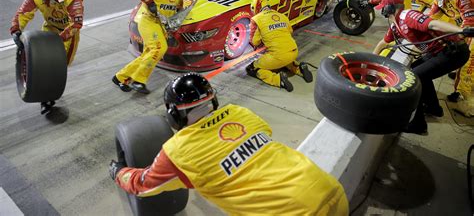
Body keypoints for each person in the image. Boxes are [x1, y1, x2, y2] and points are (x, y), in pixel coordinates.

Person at [109, 73, 348, 215]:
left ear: (173, 114)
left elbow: (144, 185)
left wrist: (119, 172)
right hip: (330, 191)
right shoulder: (240, 113)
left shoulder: (178, 152)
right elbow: (263, 135)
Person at [373, 0, 473, 134]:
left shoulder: (407, 16)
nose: (385, 16)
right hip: (438, 52)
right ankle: (434, 108)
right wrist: (372, 62)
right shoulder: (396, 26)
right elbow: (383, 43)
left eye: (384, 12)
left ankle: (418, 124)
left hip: (453, 51)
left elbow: (433, 24)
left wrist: (462, 30)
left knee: (414, 77)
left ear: (390, 10)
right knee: (416, 67)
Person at [10, 0, 84, 114]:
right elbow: (23, 13)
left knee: (61, 65)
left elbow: (76, 24)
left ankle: (51, 92)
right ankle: (46, 99)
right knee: (44, 64)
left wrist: (60, 38)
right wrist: (16, 29)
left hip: (68, 33)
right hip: (49, 28)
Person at [112, 0, 189, 94]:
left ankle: (121, 77)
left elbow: (178, 5)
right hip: (148, 19)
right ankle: (138, 80)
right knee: (159, 48)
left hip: (161, 23)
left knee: (149, 52)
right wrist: (150, 2)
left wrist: (176, 18)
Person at [425, 0, 474, 116]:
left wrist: (455, 39)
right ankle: (460, 91)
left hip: (472, 31)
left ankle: (469, 106)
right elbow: (429, 20)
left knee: (467, 69)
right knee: (463, 64)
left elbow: (470, 24)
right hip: (468, 31)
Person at [245, 0, 313, 92]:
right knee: (286, 61)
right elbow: (290, 31)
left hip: (278, 56)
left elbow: (255, 42)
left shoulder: (256, 19)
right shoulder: (281, 16)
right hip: (293, 51)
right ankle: (300, 69)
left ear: (256, 8)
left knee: (252, 68)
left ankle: (278, 79)